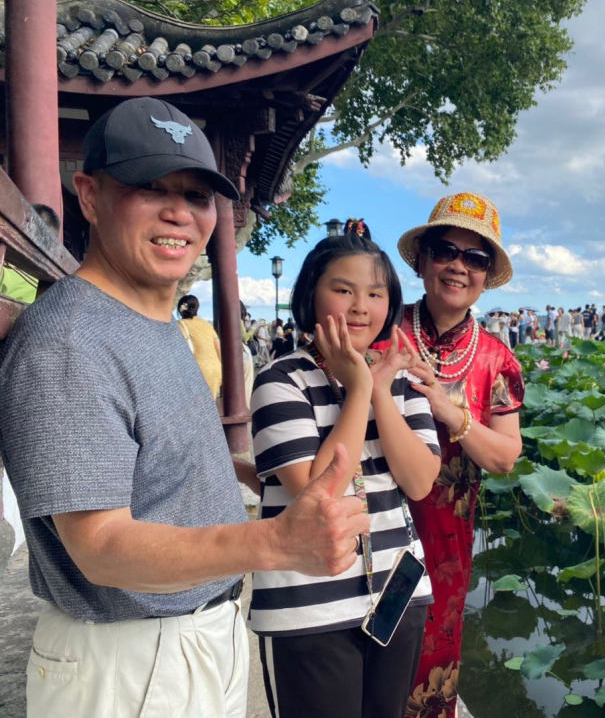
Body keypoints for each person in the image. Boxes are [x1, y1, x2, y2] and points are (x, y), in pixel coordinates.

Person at [0, 97, 368, 718]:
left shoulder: (153, 320)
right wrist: (276, 541)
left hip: (192, 637)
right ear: (89, 195)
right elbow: (100, 546)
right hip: (129, 663)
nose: (179, 212)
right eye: (149, 187)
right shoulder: (68, 341)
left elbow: (144, 457)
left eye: (197, 196)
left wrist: (237, 471)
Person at [250, 220, 440, 718]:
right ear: (311, 294)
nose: (360, 306)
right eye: (343, 290)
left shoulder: (402, 383)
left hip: (398, 594)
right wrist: (358, 391)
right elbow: (319, 495)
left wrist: (380, 390)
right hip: (308, 606)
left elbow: (420, 481)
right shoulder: (281, 380)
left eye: (375, 293)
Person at [391, 192, 524, 717]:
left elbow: (505, 458)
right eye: (445, 250)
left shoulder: (497, 359)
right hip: (369, 522)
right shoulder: (380, 329)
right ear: (423, 260)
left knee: (429, 666)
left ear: (486, 276)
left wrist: (453, 414)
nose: (458, 266)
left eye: (475, 258)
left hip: (445, 540)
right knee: (358, 661)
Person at [176, 293, 222, 398]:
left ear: (180, 309)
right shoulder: (207, 325)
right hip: (215, 371)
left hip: (196, 373)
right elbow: (218, 348)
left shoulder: (180, 325)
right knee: (209, 402)